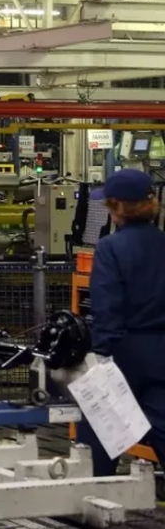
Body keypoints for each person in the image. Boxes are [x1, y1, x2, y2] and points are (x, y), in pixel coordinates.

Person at [78, 168, 165, 485]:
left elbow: (106, 306)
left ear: (117, 208)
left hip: (125, 350)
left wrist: (101, 355)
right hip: (162, 351)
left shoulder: (111, 248)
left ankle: (94, 494)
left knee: (101, 430)